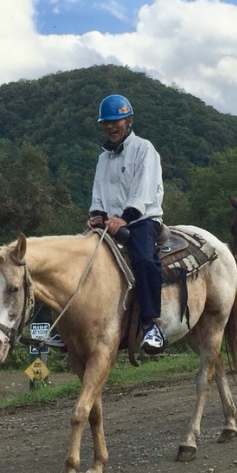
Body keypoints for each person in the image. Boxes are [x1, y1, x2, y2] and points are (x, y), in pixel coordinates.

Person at [87, 94, 166, 353]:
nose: (110, 127)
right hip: (111, 223)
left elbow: (142, 192)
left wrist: (125, 219)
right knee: (79, 259)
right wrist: (97, 215)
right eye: (106, 122)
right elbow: (98, 194)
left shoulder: (145, 149)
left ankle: (151, 324)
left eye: (116, 121)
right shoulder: (102, 159)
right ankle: (71, 327)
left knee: (144, 259)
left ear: (128, 121)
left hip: (142, 220)